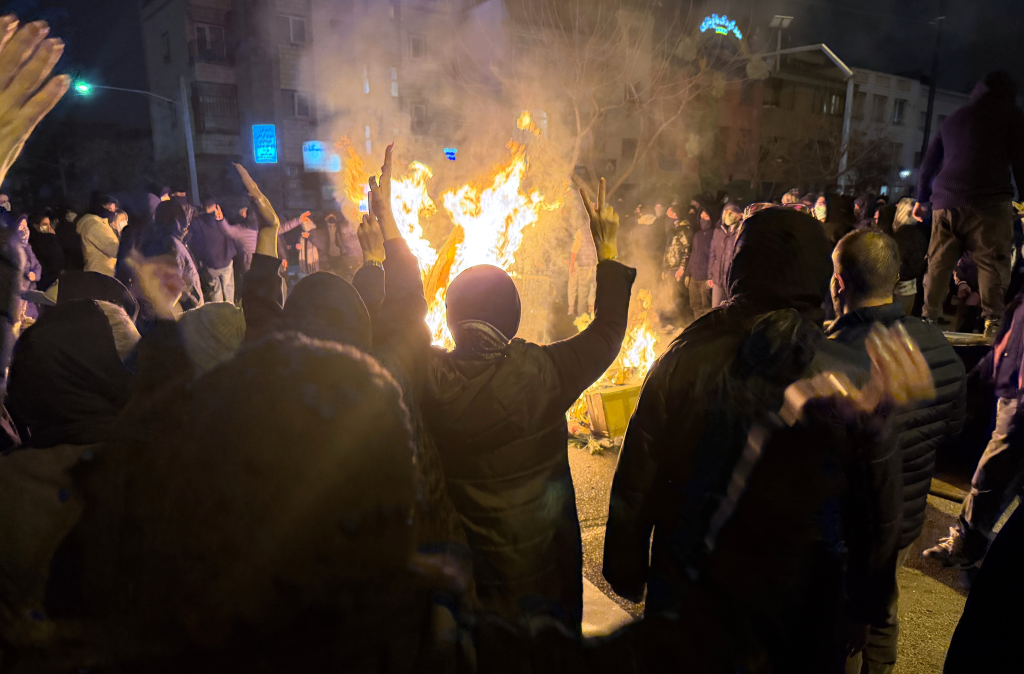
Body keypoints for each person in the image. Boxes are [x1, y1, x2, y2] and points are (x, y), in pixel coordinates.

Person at [603, 207, 927, 673]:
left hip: (693, 594)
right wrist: (865, 606)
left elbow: (638, 477)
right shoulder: (854, 378)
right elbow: (879, 512)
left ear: (740, 268)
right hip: (803, 607)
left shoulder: (683, 360)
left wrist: (627, 568)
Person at [424, 177, 635, 632]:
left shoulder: (428, 380)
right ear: (514, 317)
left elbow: (393, 333)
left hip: (475, 579)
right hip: (546, 574)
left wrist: (387, 255)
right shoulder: (546, 373)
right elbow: (608, 330)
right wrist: (608, 251)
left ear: (450, 321)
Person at [826, 229, 966, 674]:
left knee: (842, 629)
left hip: (847, 530)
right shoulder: (938, 346)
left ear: (839, 284)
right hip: (904, 522)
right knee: (882, 608)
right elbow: (953, 425)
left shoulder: (830, 360)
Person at [915, 71, 1024, 339]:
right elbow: (1021, 162)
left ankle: (929, 319)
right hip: (988, 201)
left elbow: (928, 163)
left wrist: (920, 200)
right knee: (992, 261)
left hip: (945, 201)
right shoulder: (1010, 115)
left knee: (938, 263)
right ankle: (992, 322)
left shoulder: (955, 118)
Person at [923, 284, 1024, 568]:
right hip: (1010, 399)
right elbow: (1007, 344)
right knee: (992, 479)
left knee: (990, 477)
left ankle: (968, 547)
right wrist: (978, 376)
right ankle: (970, 546)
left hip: (1018, 409)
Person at [189, 198, 238, 303]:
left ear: (202, 206)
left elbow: (194, 244)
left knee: (215, 290)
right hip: (226, 261)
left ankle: (219, 314)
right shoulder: (221, 220)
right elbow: (231, 235)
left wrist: (202, 260)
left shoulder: (197, 223)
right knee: (228, 287)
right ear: (215, 206)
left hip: (210, 264)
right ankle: (231, 311)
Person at [891, 199, 928, 316]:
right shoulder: (919, 234)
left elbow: (898, 263)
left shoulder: (902, 236)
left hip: (899, 289)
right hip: (912, 287)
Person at [707, 202, 743, 308]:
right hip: (718, 279)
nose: (727, 215)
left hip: (732, 280)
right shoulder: (718, 231)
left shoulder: (741, 231)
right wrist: (710, 275)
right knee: (716, 309)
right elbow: (712, 254)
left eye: (731, 213)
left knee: (731, 310)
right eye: (726, 212)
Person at [686, 202, 714, 319]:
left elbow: (715, 257)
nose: (703, 220)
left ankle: (707, 332)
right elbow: (693, 255)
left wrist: (711, 276)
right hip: (694, 277)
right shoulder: (697, 235)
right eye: (701, 217)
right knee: (695, 305)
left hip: (705, 278)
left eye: (706, 217)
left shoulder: (714, 234)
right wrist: (688, 273)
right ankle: (697, 328)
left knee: (706, 307)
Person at [77, 203, 121, 276]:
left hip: (101, 275)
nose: (113, 210)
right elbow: (114, 250)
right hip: (100, 275)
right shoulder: (94, 225)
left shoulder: (101, 224)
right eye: (109, 206)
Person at [567, 221, 597, 318]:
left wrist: (571, 266)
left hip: (584, 266)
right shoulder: (598, 230)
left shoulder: (582, 231)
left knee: (583, 292)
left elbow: (574, 250)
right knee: (593, 288)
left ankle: (582, 317)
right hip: (595, 265)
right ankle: (592, 313)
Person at [28, 212, 63, 292]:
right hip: (45, 282)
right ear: (36, 226)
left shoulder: (49, 239)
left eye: (49, 224)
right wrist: (52, 238)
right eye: (45, 224)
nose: (49, 227)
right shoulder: (41, 241)